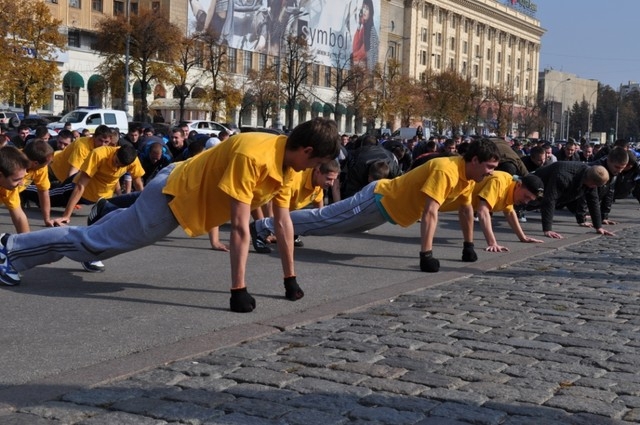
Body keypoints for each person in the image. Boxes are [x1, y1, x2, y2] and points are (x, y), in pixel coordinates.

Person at [0, 118, 340, 314]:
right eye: (315, 163)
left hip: (179, 184)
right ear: (307, 151)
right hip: (174, 195)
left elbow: (282, 222)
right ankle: (11, 248)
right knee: (93, 245)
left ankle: (99, 216)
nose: (313, 170)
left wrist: (289, 280)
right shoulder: (254, 156)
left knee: (101, 240)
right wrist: (238, 290)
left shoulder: (289, 165)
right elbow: (239, 227)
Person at [251, 138, 500, 273]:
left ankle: (278, 230)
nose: (490, 173)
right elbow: (430, 212)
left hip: (385, 211)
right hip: (377, 200)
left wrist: (468, 246)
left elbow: (466, 210)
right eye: (489, 167)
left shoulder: (468, 176)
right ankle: (263, 226)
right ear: (474, 160)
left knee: (326, 225)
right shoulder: (446, 169)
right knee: (324, 219)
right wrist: (426, 255)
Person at [440, 171, 544, 252]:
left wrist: (523, 237)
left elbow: (509, 212)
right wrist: (492, 243)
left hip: (447, 202)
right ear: (518, 185)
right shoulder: (499, 182)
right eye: (526, 196)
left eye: (530, 200)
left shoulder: (511, 187)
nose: (526, 202)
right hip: (442, 197)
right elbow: (483, 211)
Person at [252, 159, 340, 252]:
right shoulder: (296, 180)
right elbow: (267, 200)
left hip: (282, 210)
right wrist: (266, 228)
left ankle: (289, 231)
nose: (331, 184)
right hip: (259, 194)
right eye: (329, 179)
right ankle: (259, 229)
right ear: (318, 172)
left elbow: (320, 214)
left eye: (334, 180)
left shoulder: (318, 186)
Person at [529, 162, 612, 239]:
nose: (595, 188)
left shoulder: (590, 175)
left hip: (548, 192)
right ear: (592, 183)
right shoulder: (564, 177)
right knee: (524, 204)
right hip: (534, 188)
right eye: (595, 185)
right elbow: (550, 200)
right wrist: (547, 229)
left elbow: (593, 201)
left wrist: (598, 227)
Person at [351, 0, 379, 71]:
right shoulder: (363, 28)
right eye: (363, 8)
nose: (364, 11)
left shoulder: (372, 31)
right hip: (358, 67)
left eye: (367, 8)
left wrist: (353, 56)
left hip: (366, 70)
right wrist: (358, 26)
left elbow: (366, 54)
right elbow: (355, 48)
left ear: (371, 12)